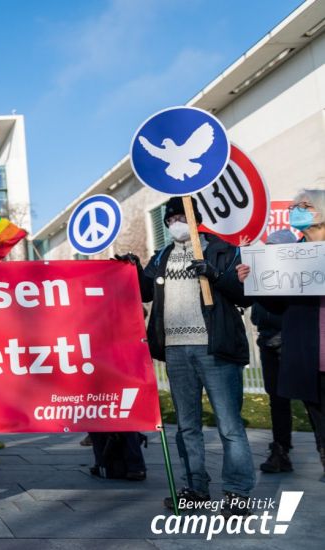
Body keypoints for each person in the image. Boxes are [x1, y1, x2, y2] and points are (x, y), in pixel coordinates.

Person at [116, 196, 254, 516]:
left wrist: (215, 275)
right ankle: (195, 488)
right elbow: (144, 291)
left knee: (229, 425)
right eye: (171, 219)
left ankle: (237, 492)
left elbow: (244, 294)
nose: (175, 224)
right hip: (176, 350)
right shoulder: (162, 255)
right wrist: (131, 267)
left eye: (181, 217)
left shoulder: (221, 250)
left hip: (214, 348)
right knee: (187, 426)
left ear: (196, 220)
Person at [237, 189, 325, 474]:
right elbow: (278, 304)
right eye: (293, 207)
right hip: (307, 352)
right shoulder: (292, 254)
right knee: (318, 417)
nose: (296, 211)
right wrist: (255, 282)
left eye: (304, 206)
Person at [249, 230, 302, 474]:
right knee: (277, 399)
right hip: (267, 338)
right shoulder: (261, 272)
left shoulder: (296, 274)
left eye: (275, 247)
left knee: (311, 400)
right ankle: (281, 449)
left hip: (292, 339)